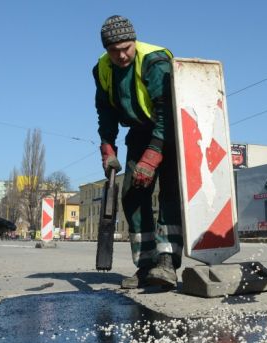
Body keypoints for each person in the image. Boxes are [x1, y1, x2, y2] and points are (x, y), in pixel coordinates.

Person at [93, 15, 182, 289]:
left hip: (172, 131)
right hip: (140, 131)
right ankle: (145, 265)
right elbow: (105, 110)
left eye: (126, 48)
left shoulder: (154, 61)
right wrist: (107, 146)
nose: (121, 55)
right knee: (133, 193)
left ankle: (166, 263)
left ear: (134, 41)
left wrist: (153, 157)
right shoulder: (103, 69)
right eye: (114, 50)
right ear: (106, 49)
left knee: (170, 193)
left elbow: (166, 112)